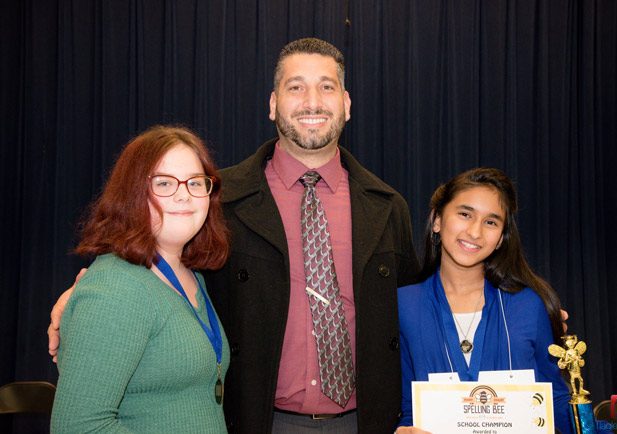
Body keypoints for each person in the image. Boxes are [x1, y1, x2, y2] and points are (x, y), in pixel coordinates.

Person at [49, 39, 420, 433]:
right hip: (256, 420)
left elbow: (417, 309)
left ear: (346, 103)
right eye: (296, 87)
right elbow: (153, 267)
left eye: (326, 87)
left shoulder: (388, 206)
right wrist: (82, 296)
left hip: (364, 422)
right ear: (273, 104)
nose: (312, 101)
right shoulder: (213, 198)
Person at [50, 126, 231, 433]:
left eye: (195, 183)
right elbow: (78, 427)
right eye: (164, 183)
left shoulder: (192, 277)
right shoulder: (114, 288)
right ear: (132, 193)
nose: (183, 195)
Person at [395, 168, 572, 434]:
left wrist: (592, 424)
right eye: (465, 214)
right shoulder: (403, 305)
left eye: (491, 222)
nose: (475, 232)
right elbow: (407, 405)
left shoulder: (527, 305)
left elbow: (554, 400)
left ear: (501, 238)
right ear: (437, 221)